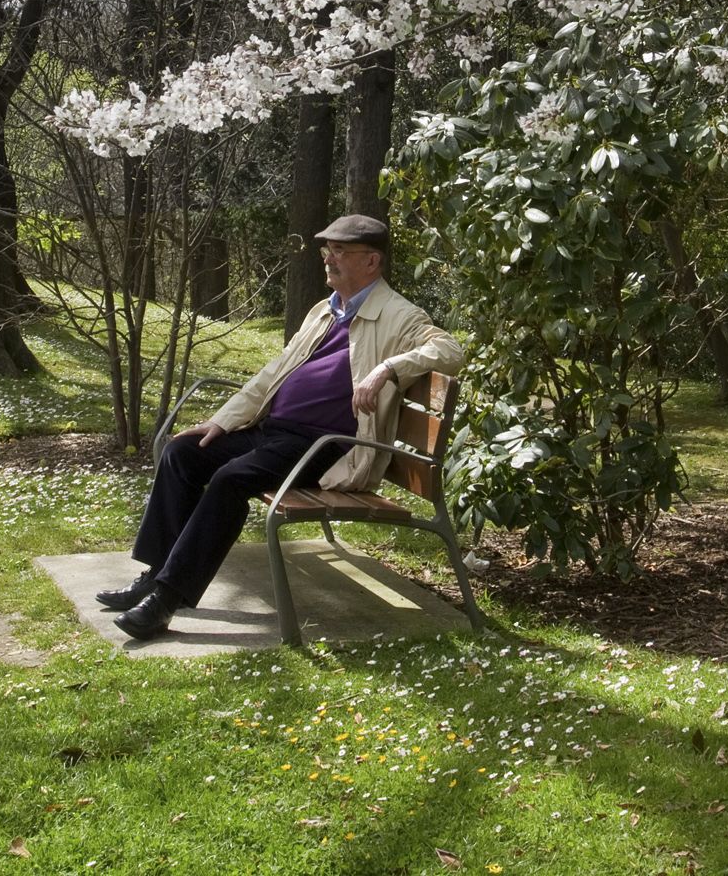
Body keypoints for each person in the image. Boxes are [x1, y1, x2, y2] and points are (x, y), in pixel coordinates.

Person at [101, 213, 467, 640]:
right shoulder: (323, 311)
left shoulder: (399, 314)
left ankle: (165, 599)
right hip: (274, 431)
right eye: (327, 250)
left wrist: (387, 368)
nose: (328, 259)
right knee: (184, 453)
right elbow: (275, 372)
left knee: (231, 479)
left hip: (325, 445)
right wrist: (222, 421)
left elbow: (449, 350)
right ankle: (155, 573)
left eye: (340, 251)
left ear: (372, 262)